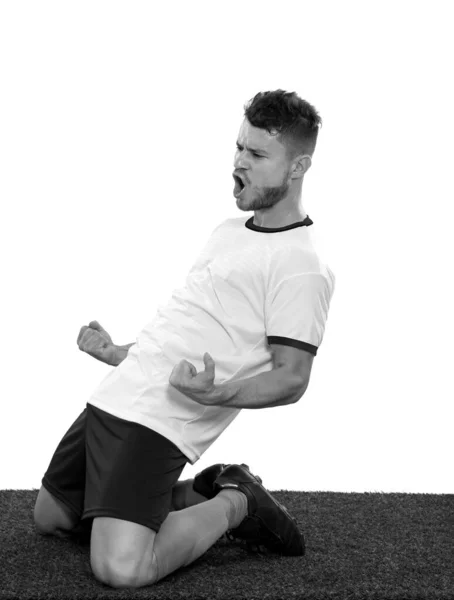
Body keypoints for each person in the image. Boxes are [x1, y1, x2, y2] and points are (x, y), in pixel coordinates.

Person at [33, 89, 336, 589]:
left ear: (299, 166)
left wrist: (217, 394)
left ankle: (239, 503)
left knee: (121, 568)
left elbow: (291, 378)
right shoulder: (227, 230)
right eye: (239, 147)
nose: (239, 162)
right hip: (119, 395)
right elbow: (184, 330)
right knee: (53, 518)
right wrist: (117, 353)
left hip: (161, 419)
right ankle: (195, 492)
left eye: (258, 155)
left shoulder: (302, 265)